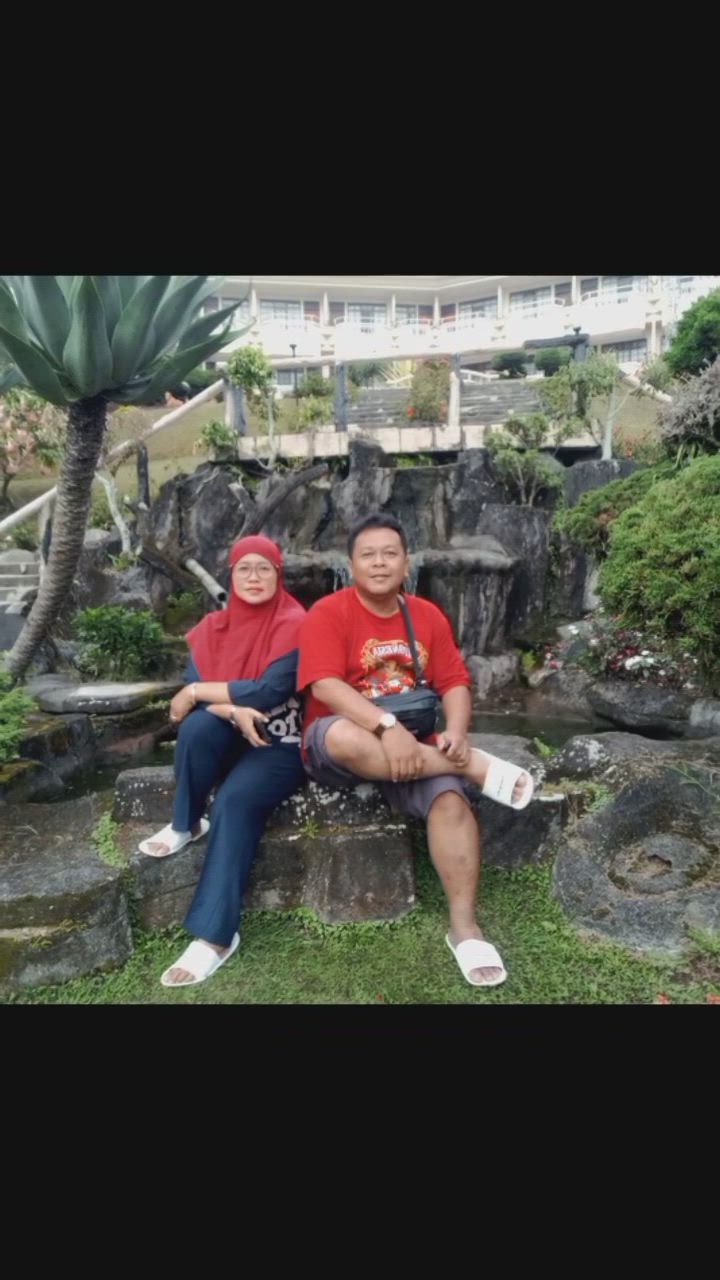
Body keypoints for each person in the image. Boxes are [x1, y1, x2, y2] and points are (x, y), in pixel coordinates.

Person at [296, 513, 534, 989]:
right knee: (345, 736)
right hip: (345, 744)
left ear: (406, 563)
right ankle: (473, 767)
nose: (379, 563)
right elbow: (324, 684)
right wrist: (387, 727)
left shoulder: (426, 615)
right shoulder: (328, 612)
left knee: (449, 801)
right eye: (368, 555)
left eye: (390, 554)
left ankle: (464, 928)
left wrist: (458, 732)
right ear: (350, 565)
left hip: (416, 750)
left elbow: (455, 682)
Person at [139, 535, 307, 987]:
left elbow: (270, 691)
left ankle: (215, 937)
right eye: (244, 569)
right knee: (197, 728)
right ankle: (186, 823)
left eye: (264, 568)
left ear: (278, 575)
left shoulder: (295, 622)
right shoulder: (212, 627)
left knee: (233, 801)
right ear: (231, 576)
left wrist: (197, 691)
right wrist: (229, 709)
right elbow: (194, 707)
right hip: (229, 731)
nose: (254, 577)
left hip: (278, 741)